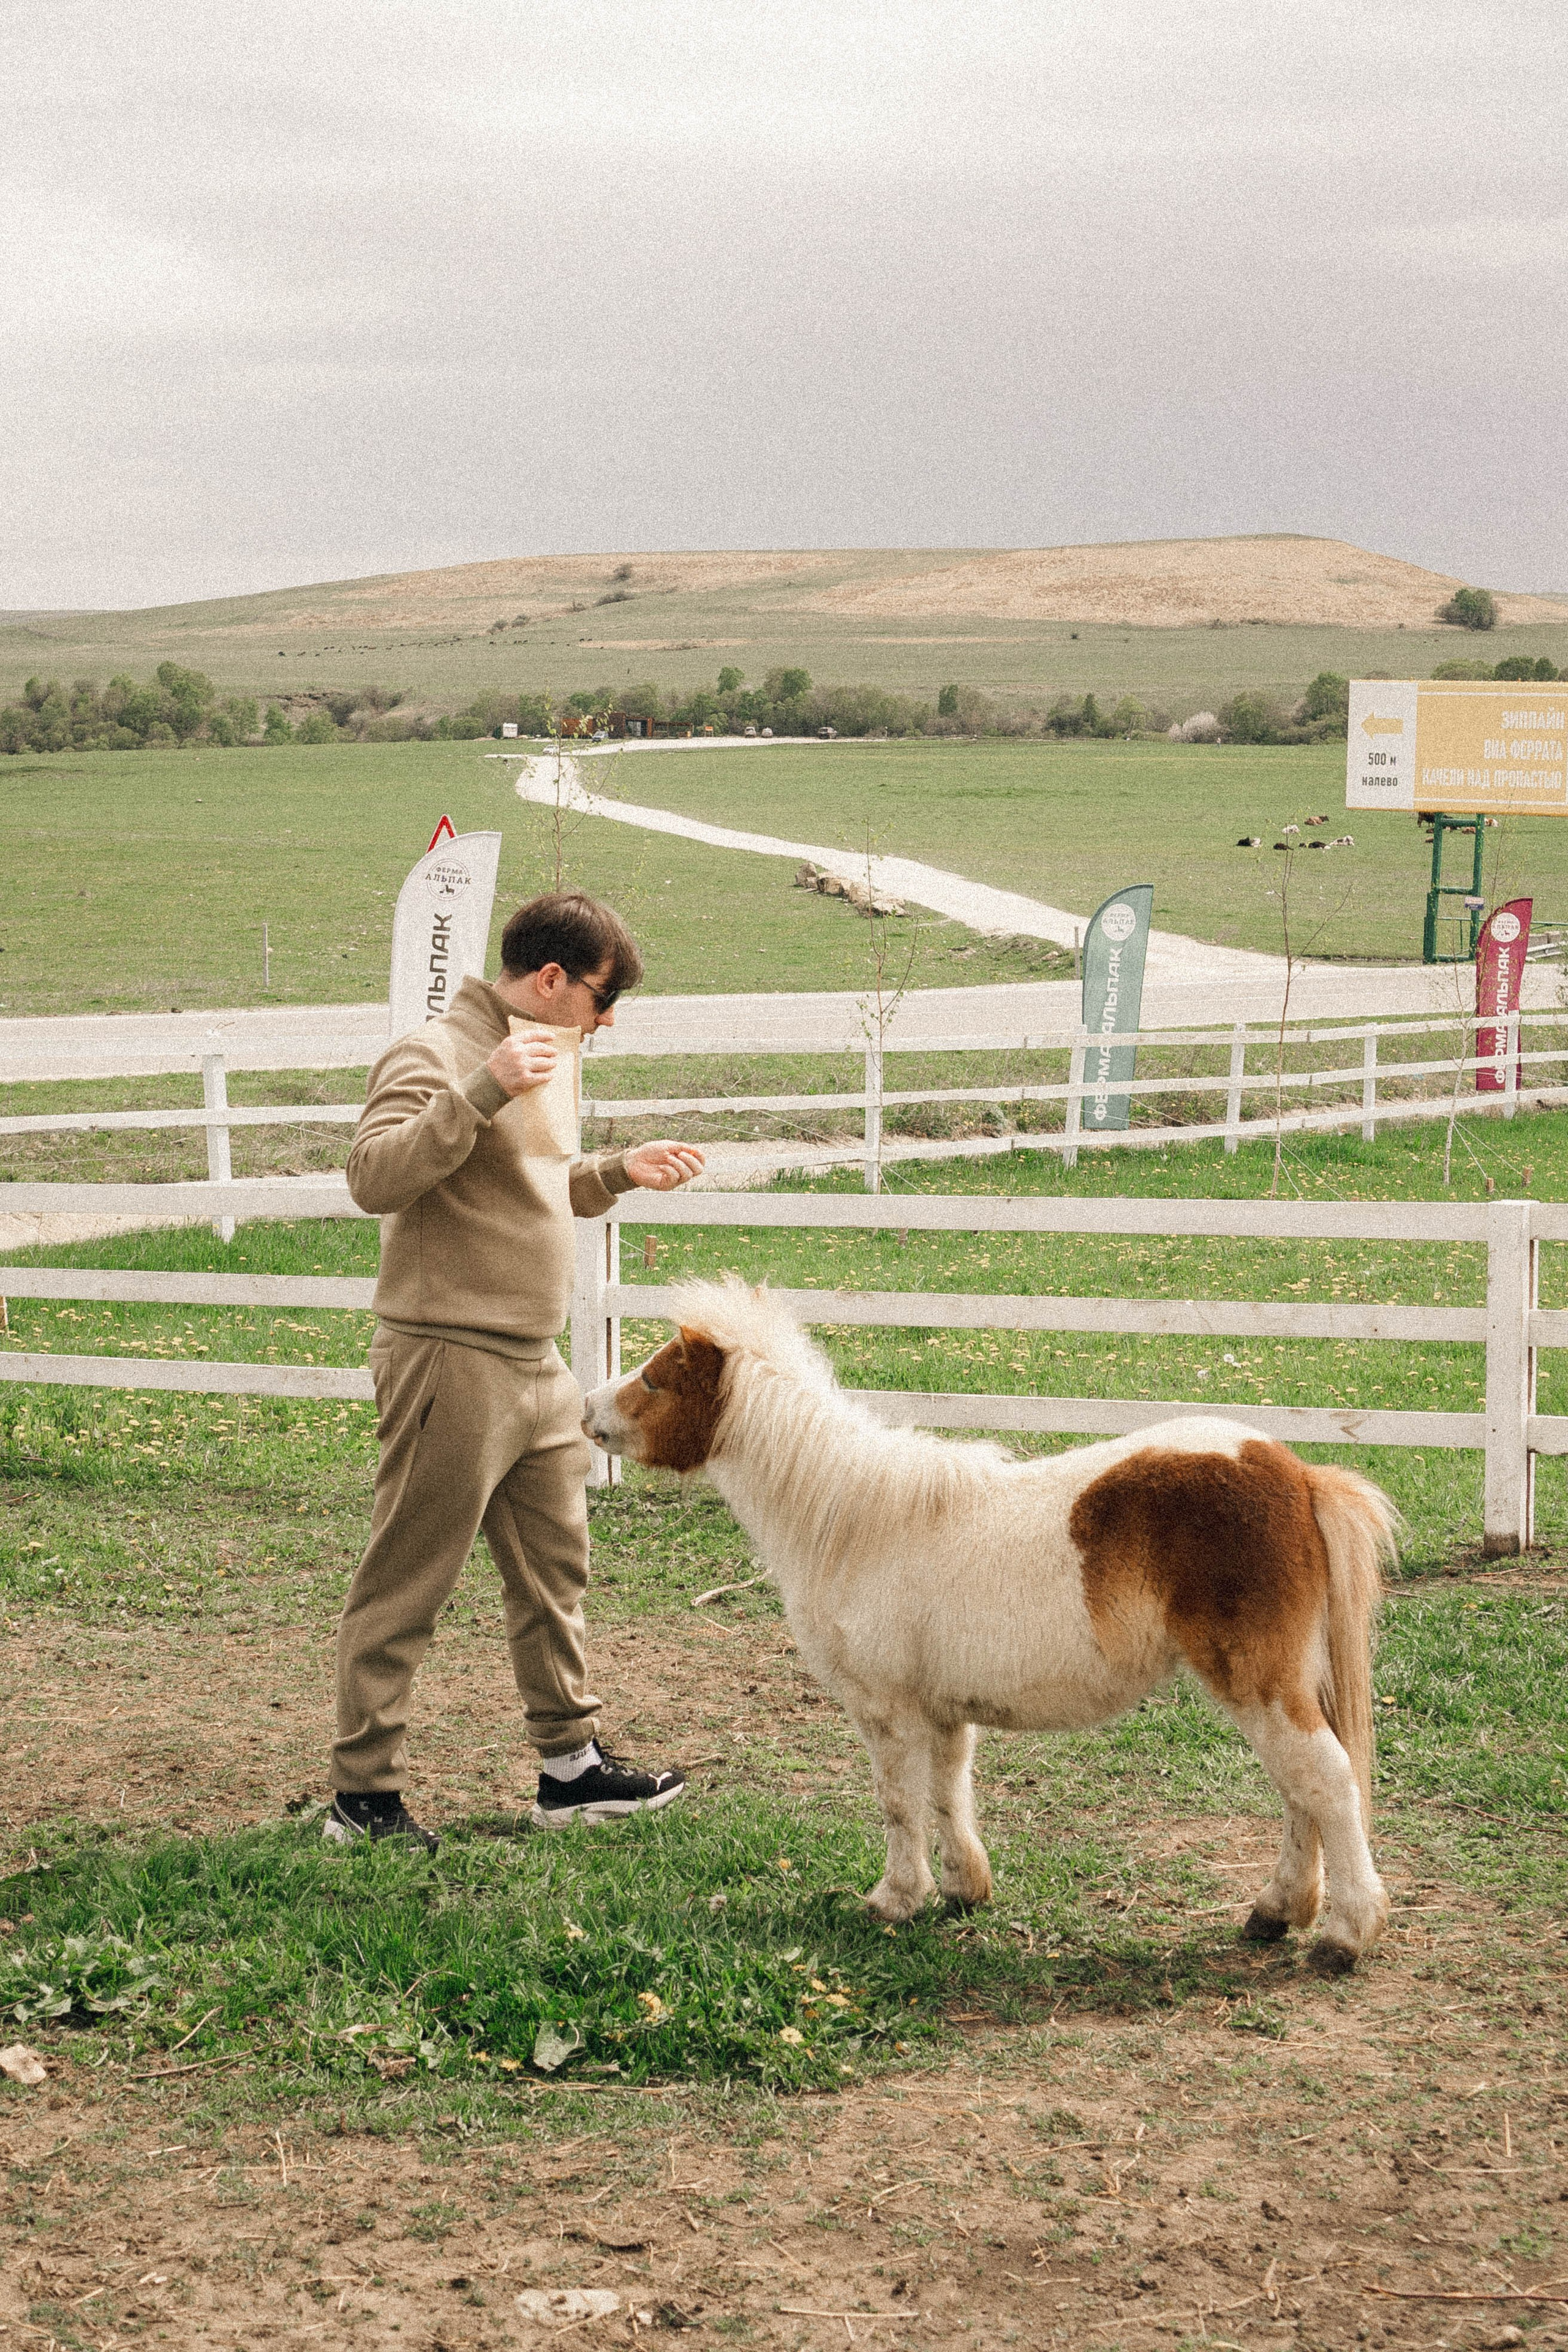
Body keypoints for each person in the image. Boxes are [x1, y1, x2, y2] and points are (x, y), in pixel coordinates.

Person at [324, 888, 703, 1852]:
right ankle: (362, 1802)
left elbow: (534, 1184)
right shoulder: (436, 1055)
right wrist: (481, 1087)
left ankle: (570, 1772)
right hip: (447, 1358)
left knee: (554, 1574)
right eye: (602, 998)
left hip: (535, 1368)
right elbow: (375, 1178)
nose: (607, 1019)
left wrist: (619, 1169)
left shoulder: (545, 1053)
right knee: (407, 1580)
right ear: (549, 980)